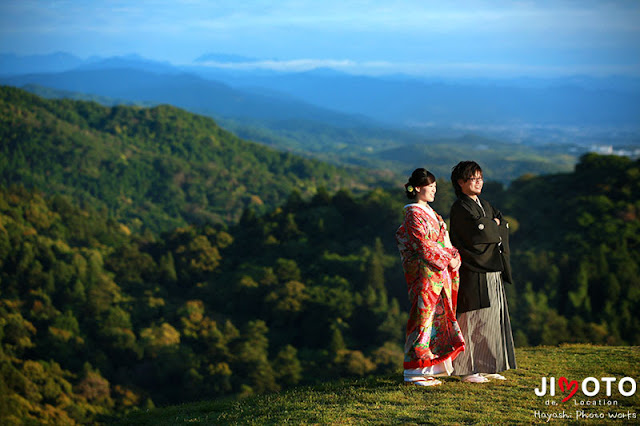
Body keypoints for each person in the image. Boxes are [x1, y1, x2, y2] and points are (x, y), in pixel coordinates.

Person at [395, 168, 465, 387]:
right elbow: (424, 246)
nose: (434, 190)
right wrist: (448, 258)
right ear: (417, 188)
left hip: (438, 273)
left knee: (436, 321)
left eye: (435, 186)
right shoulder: (413, 215)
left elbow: (444, 240)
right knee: (422, 321)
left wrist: (453, 256)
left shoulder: (431, 213)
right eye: (430, 186)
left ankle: (429, 370)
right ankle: (414, 372)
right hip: (425, 275)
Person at [449, 161, 516, 384]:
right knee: (472, 318)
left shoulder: (483, 204)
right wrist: (491, 226)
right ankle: (467, 369)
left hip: (491, 267)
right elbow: (478, 235)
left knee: (490, 319)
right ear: (461, 183)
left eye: (480, 178)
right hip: (473, 269)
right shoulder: (460, 208)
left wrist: (490, 225)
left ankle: (487, 365)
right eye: (473, 178)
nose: (478, 182)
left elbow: (501, 224)